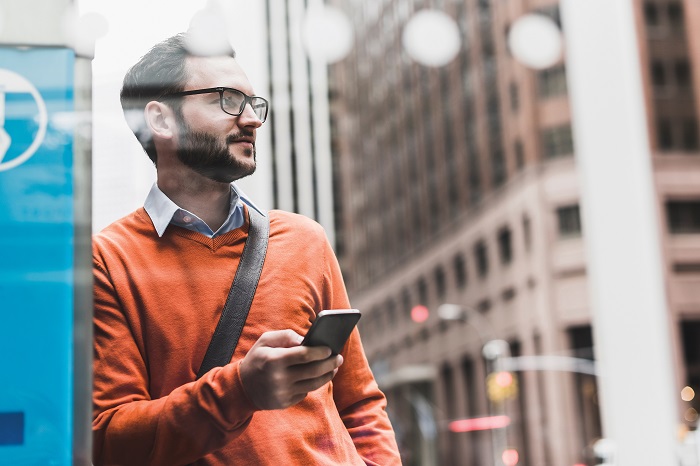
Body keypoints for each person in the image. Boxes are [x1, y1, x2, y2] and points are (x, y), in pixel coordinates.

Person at [92, 33, 401, 465]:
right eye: (228, 100)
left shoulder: (304, 239)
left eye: (254, 105)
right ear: (160, 120)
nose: (252, 120)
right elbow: (110, 441)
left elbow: (360, 404)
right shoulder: (107, 260)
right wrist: (239, 391)